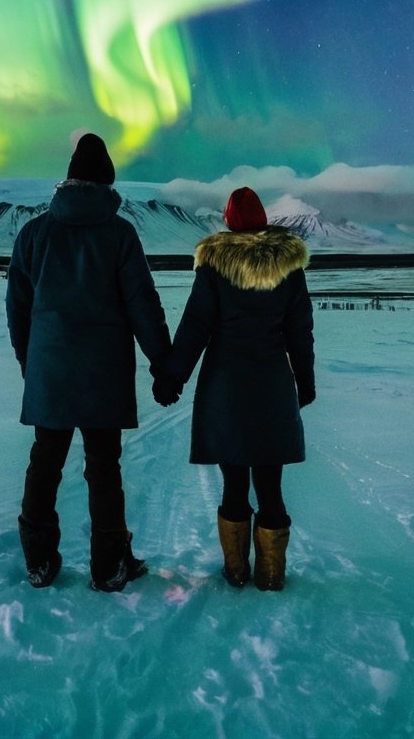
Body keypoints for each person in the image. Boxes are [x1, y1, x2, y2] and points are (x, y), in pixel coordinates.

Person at [6, 131, 173, 592]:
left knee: (45, 462)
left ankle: (39, 560)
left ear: (69, 178)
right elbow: (142, 302)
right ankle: (109, 566)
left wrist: (30, 362)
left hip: (50, 372)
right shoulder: (119, 234)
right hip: (103, 376)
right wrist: (164, 365)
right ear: (107, 183)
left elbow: (17, 307)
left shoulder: (34, 234)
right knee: (104, 468)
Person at [154, 186, 314, 591]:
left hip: (225, 385)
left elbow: (195, 327)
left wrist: (173, 375)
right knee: (270, 484)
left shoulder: (214, 266)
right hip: (273, 385)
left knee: (234, 482)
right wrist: (305, 381)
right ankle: (272, 574)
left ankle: (237, 571)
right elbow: (300, 331)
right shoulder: (289, 268)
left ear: (228, 221)